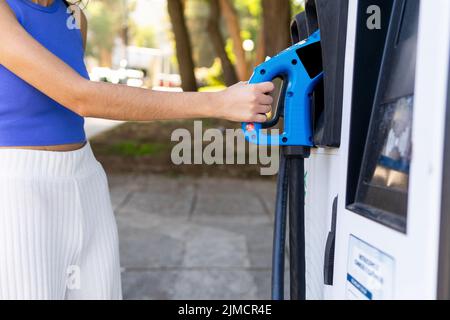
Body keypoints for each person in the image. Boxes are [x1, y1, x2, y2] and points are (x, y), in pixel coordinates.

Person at [0, 0, 274, 300]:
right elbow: (81, 97)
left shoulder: (75, 18)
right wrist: (217, 103)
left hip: (86, 179)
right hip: (18, 189)